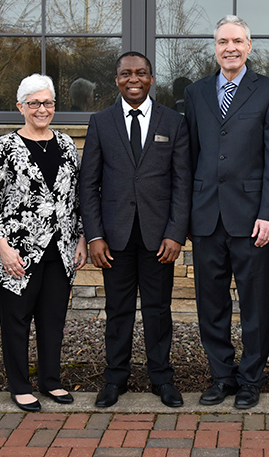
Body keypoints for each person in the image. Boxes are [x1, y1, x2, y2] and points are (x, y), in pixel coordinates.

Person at [184, 15, 269, 409]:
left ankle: (250, 379)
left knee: (254, 304)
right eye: (222, 41)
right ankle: (222, 376)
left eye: (237, 41)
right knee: (211, 303)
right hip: (207, 215)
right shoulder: (195, 94)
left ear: (249, 46)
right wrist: (188, 214)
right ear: (215, 47)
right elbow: (188, 156)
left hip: (252, 218)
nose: (230, 47)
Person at [80, 51, 191, 409]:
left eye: (141, 73)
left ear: (151, 78)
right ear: (116, 80)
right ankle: (115, 378)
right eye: (126, 74)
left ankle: (162, 378)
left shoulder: (173, 122)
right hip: (115, 238)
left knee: (159, 310)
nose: (133, 79)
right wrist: (94, 235)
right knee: (118, 310)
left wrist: (176, 233)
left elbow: (182, 183)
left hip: (159, 238)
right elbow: (89, 183)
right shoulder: (101, 122)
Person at [0, 74, 87, 412]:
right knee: (16, 319)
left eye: (48, 103)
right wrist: (2, 245)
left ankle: (50, 381)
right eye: (34, 103)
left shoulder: (67, 145)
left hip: (61, 249)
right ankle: (19, 385)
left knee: (52, 318)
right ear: (20, 107)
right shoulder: (5, 147)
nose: (42, 109)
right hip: (18, 251)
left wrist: (82, 237)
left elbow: (77, 197)